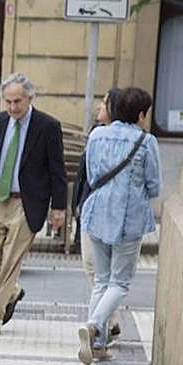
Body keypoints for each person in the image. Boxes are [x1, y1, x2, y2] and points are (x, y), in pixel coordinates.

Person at [0, 73, 67, 336]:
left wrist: (59, 207)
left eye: (18, 101)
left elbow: (57, 170)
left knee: (11, 260)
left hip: (28, 201)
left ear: (30, 98)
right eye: (8, 101)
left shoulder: (47, 126)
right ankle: (12, 293)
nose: (13, 107)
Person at [77, 86, 161, 365]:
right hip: (128, 219)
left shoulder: (97, 135)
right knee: (120, 282)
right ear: (141, 114)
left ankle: (98, 343)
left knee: (101, 280)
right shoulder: (146, 142)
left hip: (95, 213)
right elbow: (154, 185)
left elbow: (91, 175)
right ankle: (94, 324)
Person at [72, 88, 123, 342]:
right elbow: (83, 175)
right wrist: (77, 205)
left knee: (100, 272)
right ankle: (109, 320)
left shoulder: (128, 139)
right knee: (95, 270)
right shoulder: (95, 133)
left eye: (103, 103)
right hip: (89, 209)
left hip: (108, 214)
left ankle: (100, 327)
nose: (98, 108)